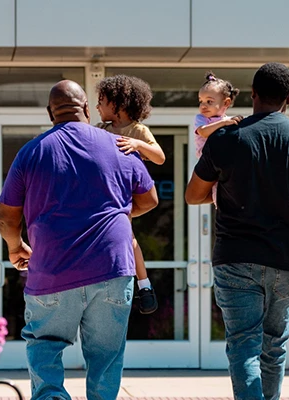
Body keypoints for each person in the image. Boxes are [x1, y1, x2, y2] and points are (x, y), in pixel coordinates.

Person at [0, 80, 158, 400]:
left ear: (50, 113)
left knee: (45, 349)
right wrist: (117, 214)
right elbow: (149, 199)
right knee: (106, 357)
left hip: (53, 271)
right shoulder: (119, 145)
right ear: (86, 108)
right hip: (112, 269)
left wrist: (15, 246)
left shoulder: (32, 152)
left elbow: (6, 217)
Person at [185, 62, 289, 400]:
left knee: (244, 347)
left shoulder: (225, 138)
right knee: (273, 348)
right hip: (284, 261)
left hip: (234, 259)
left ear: (252, 95)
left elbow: (193, 195)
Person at [96, 74, 164, 314]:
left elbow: (159, 156)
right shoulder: (100, 130)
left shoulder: (138, 130)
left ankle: (144, 285)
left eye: (101, 101)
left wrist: (138, 145)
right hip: (105, 196)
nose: (97, 107)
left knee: (128, 237)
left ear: (118, 104)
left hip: (127, 196)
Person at [194, 72, 243, 206]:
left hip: (222, 160)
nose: (203, 106)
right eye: (201, 101)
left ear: (226, 102)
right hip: (207, 160)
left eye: (209, 101)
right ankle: (219, 205)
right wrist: (224, 123)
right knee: (214, 185)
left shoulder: (227, 121)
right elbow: (203, 132)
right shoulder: (202, 119)